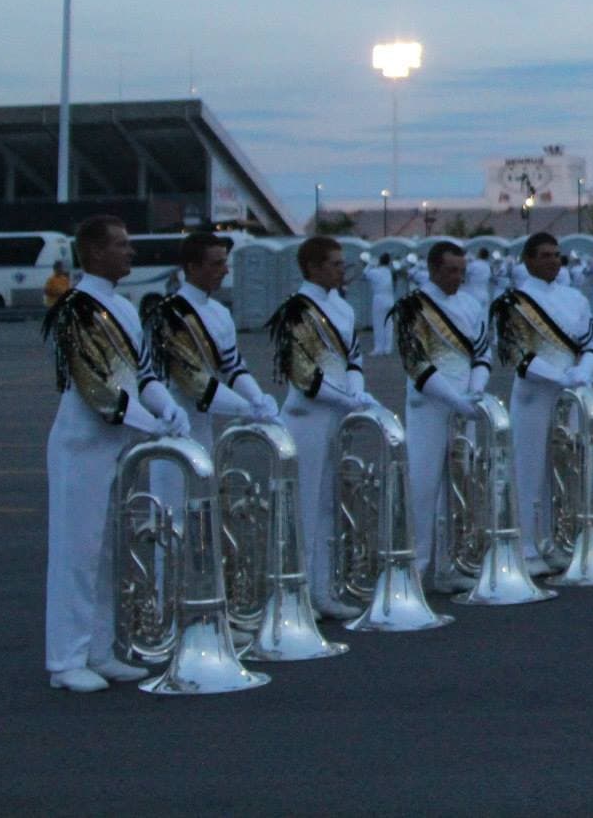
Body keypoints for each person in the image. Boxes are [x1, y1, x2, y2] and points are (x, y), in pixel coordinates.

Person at [43, 215, 189, 692]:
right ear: (95, 252)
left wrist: (168, 409)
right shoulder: (76, 308)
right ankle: (66, 659)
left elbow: (143, 374)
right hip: (82, 445)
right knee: (76, 553)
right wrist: (154, 427)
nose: (132, 252)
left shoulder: (122, 307)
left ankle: (100, 649)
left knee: (110, 553)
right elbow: (98, 389)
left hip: (118, 442)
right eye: (122, 245)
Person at [269, 236, 380, 617]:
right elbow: (303, 375)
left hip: (336, 412)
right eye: (334, 264)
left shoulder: (342, 308)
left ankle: (321, 589)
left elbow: (353, 358)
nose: (340, 270)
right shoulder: (297, 310)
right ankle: (292, 594)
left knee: (329, 504)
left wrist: (358, 391)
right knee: (302, 507)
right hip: (307, 414)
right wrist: (349, 400)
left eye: (341, 264)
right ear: (313, 268)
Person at [145, 232, 281, 509]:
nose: (225, 270)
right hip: (173, 422)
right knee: (173, 515)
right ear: (193, 268)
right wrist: (246, 408)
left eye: (225, 262)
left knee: (204, 512)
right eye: (216, 264)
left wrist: (257, 398)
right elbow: (194, 382)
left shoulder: (220, 311)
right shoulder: (170, 314)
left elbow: (232, 366)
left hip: (203, 423)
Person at [491, 232, 593, 567]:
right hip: (534, 394)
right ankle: (527, 547)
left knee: (569, 469)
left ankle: (561, 541)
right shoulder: (515, 302)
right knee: (530, 471)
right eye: (545, 255)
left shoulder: (575, 299)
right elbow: (516, 355)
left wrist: (585, 370)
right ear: (528, 261)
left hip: (570, 392)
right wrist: (561, 376)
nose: (553, 261)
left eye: (557, 255)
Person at [390, 240, 489, 590]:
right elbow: (416, 364)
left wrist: (476, 388)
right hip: (430, 402)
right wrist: (455, 399)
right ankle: (414, 566)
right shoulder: (412, 308)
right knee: (423, 484)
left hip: (464, 401)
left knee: (462, 484)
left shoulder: (471, 304)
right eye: (450, 270)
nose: (457, 277)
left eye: (461, 271)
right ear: (433, 270)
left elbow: (481, 353)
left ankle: (453, 563)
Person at [365, 252, 397, 357]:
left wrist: (371, 264)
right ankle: (388, 348)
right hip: (390, 298)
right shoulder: (390, 272)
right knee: (389, 324)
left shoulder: (375, 272)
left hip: (379, 298)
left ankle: (379, 348)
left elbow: (365, 273)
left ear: (380, 261)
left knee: (379, 324)